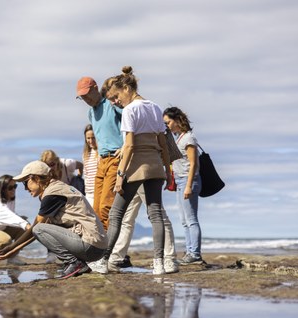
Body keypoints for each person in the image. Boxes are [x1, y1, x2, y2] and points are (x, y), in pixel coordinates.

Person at [102, 66, 174, 275]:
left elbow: (130, 145)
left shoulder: (130, 110)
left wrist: (120, 176)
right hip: (155, 166)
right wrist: (167, 169)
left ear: (126, 88)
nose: (116, 102)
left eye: (115, 97)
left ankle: (103, 261)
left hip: (135, 167)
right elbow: (163, 143)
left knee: (116, 214)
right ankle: (159, 263)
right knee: (156, 215)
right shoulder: (155, 107)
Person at [0, 160, 107, 279]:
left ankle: (74, 263)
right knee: (40, 229)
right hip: (96, 246)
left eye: (25, 183)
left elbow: (36, 229)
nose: (25, 189)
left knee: (38, 228)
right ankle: (74, 263)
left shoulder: (53, 194)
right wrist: (14, 250)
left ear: (36, 179)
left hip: (91, 246)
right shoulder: (56, 188)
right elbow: (38, 233)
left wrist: (11, 247)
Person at [76, 76, 123, 230]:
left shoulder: (111, 103)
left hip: (116, 159)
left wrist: (125, 146)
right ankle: (100, 246)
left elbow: (131, 122)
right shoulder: (91, 113)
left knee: (105, 206)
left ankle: (106, 249)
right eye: (82, 97)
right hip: (101, 161)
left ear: (95, 88)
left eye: (87, 94)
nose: (86, 99)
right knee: (95, 209)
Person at [163, 107, 204, 264]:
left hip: (189, 180)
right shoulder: (177, 137)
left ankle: (195, 253)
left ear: (177, 120)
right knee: (184, 220)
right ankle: (189, 251)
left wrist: (188, 186)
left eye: (168, 122)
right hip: (180, 180)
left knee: (191, 219)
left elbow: (193, 164)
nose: (166, 125)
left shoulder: (189, 138)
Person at [82, 124, 98, 206]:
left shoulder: (101, 153)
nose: (91, 141)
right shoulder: (85, 154)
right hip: (89, 193)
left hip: (99, 191)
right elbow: (86, 174)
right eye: (88, 138)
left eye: (93, 138)